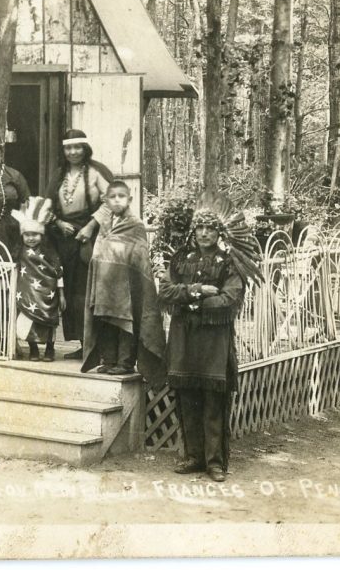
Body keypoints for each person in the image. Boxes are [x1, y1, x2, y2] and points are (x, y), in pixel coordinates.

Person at [156, 192, 262, 482]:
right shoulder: (180, 259)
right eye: (200, 227)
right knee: (187, 397)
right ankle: (193, 456)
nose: (204, 233)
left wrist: (192, 303)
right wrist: (197, 291)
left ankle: (215, 462)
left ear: (219, 232)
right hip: (184, 339)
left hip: (214, 342)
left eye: (210, 228)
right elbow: (165, 290)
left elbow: (231, 297)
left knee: (213, 401)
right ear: (194, 230)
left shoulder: (229, 263)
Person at [80, 181, 166, 382]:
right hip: (105, 283)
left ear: (130, 199)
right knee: (106, 320)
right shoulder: (105, 224)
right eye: (112, 196)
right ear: (106, 201)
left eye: (121, 196)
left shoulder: (135, 225)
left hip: (126, 285)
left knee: (125, 323)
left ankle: (125, 363)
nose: (117, 200)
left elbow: (139, 256)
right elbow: (99, 251)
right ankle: (109, 360)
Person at [44, 130, 116, 360]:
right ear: (63, 151)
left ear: (85, 149)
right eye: (68, 148)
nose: (73, 152)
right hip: (64, 238)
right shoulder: (59, 175)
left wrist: (91, 226)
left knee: (89, 290)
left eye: (77, 147)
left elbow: (112, 201)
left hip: (90, 238)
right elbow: (47, 206)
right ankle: (82, 343)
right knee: (72, 291)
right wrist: (58, 222)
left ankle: (97, 345)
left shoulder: (96, 171)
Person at [11, 197, 65, 362]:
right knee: (29, 321)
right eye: (27, 235)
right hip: (28, 293)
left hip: (47, 293)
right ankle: (33, 349)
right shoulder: (19, 252)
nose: (31, 238)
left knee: (48, 322)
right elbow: (14, 270)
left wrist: (62, 294)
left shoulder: (49, 252)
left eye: (34, 234)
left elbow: (58, 272)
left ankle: (50, 349)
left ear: (41, 235)